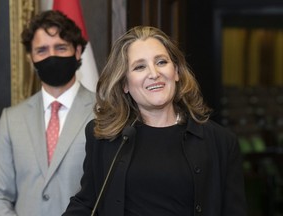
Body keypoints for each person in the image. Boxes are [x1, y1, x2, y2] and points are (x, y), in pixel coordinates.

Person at [62, 26, 247, 216]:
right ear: (125, 83)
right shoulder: (104, 136)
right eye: (139, 66)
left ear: (176, 72)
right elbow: (87, 202)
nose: (154, 73)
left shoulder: (220, 142)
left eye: (161, 62)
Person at [0, 10, 96, 216]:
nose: (51, 56)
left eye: (60, 48)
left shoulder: (105, 112)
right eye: (42, 50)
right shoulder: (11, 119)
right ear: (31, 57)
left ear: (77, 51)